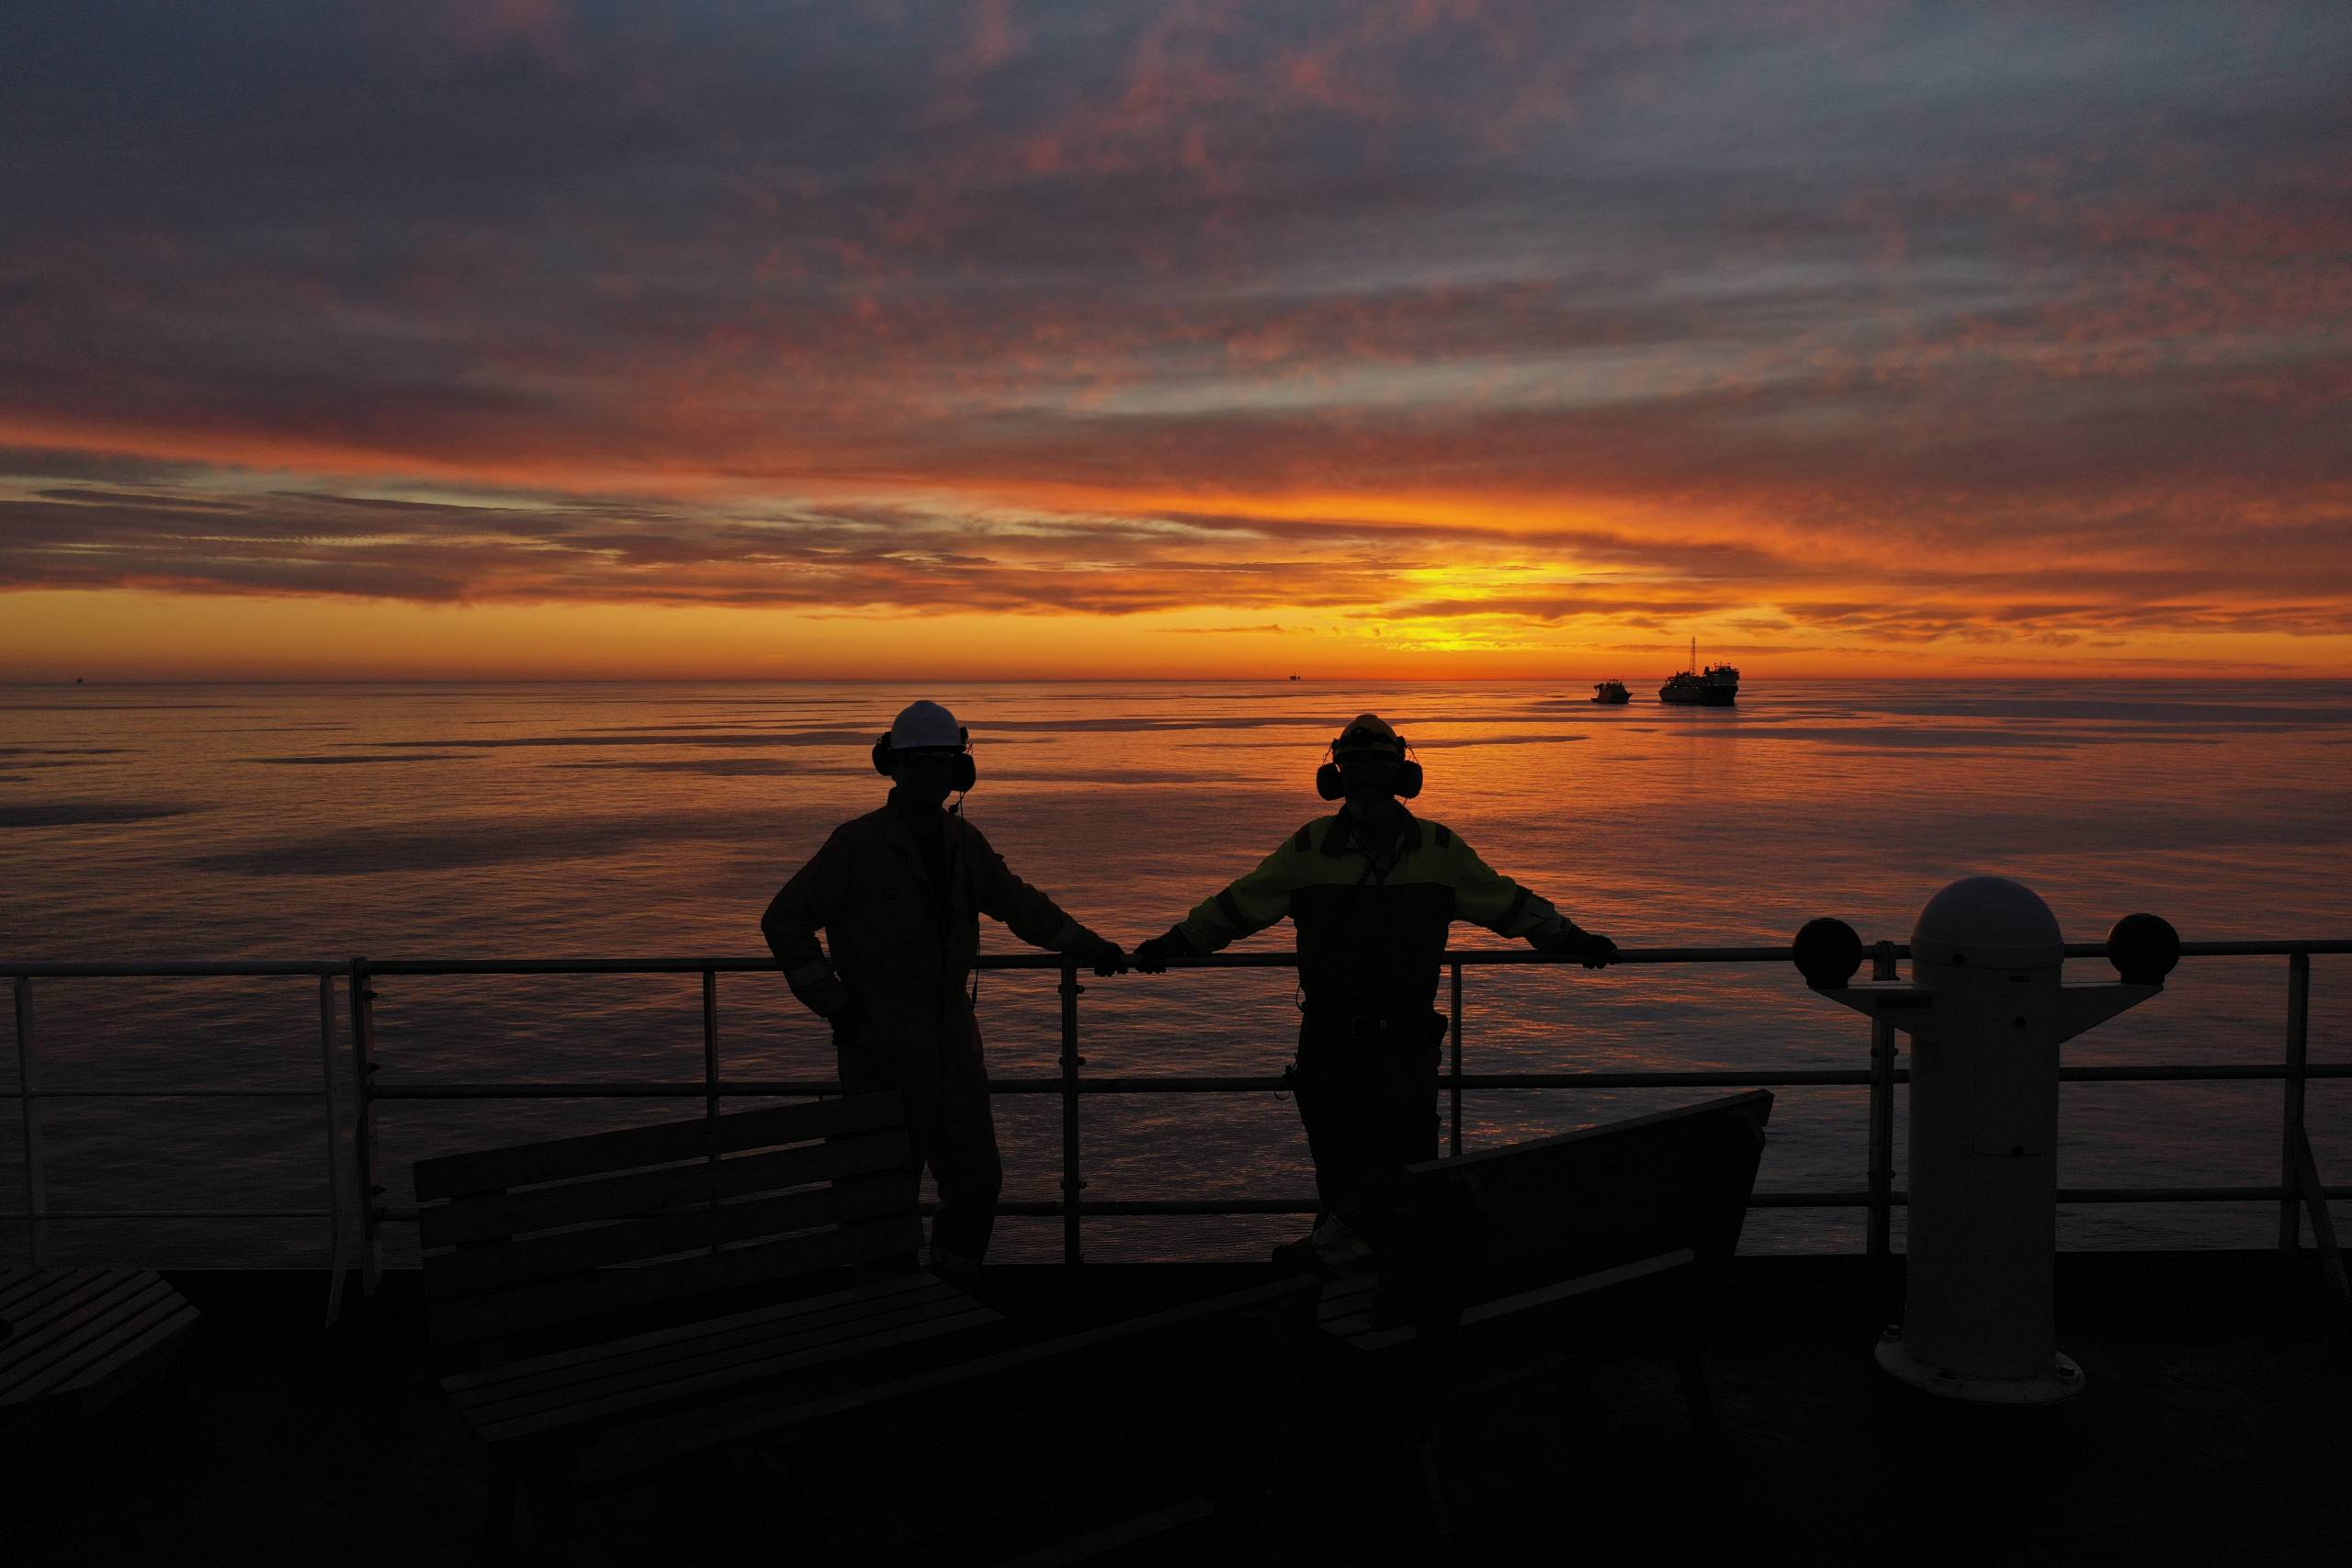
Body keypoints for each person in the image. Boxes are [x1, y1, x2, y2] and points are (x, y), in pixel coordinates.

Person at [1131, 713, 1614, 1276]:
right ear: (1335, 775)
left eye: (1376, 765)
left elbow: (1507, 903)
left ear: (1401, 774)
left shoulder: (1440, 848)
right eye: (1352, 766)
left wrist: (1570, 939)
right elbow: (1237, 907)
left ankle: (1321, 1272)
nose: (1364, 776)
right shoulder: (1308, 847)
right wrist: (1172, 944)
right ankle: (1347, 1308)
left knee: (1401, 1165)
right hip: (1329, 1044)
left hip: (1403, 1044)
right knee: (1341, 1175)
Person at [762, 700, 1125, 1280]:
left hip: (954, 1043)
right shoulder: (855, 846)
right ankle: (883, 1299)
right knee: (880, 1183)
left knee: (977, 1179)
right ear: (892, 765)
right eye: (919, 761)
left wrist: (1092, 947)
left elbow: (1019, 905)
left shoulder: (964, 845)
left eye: (942, 761)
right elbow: (784, 921)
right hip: (879, 1043)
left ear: (960, 770)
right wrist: (835, 1005)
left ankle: (952, 1282)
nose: (932, 772)